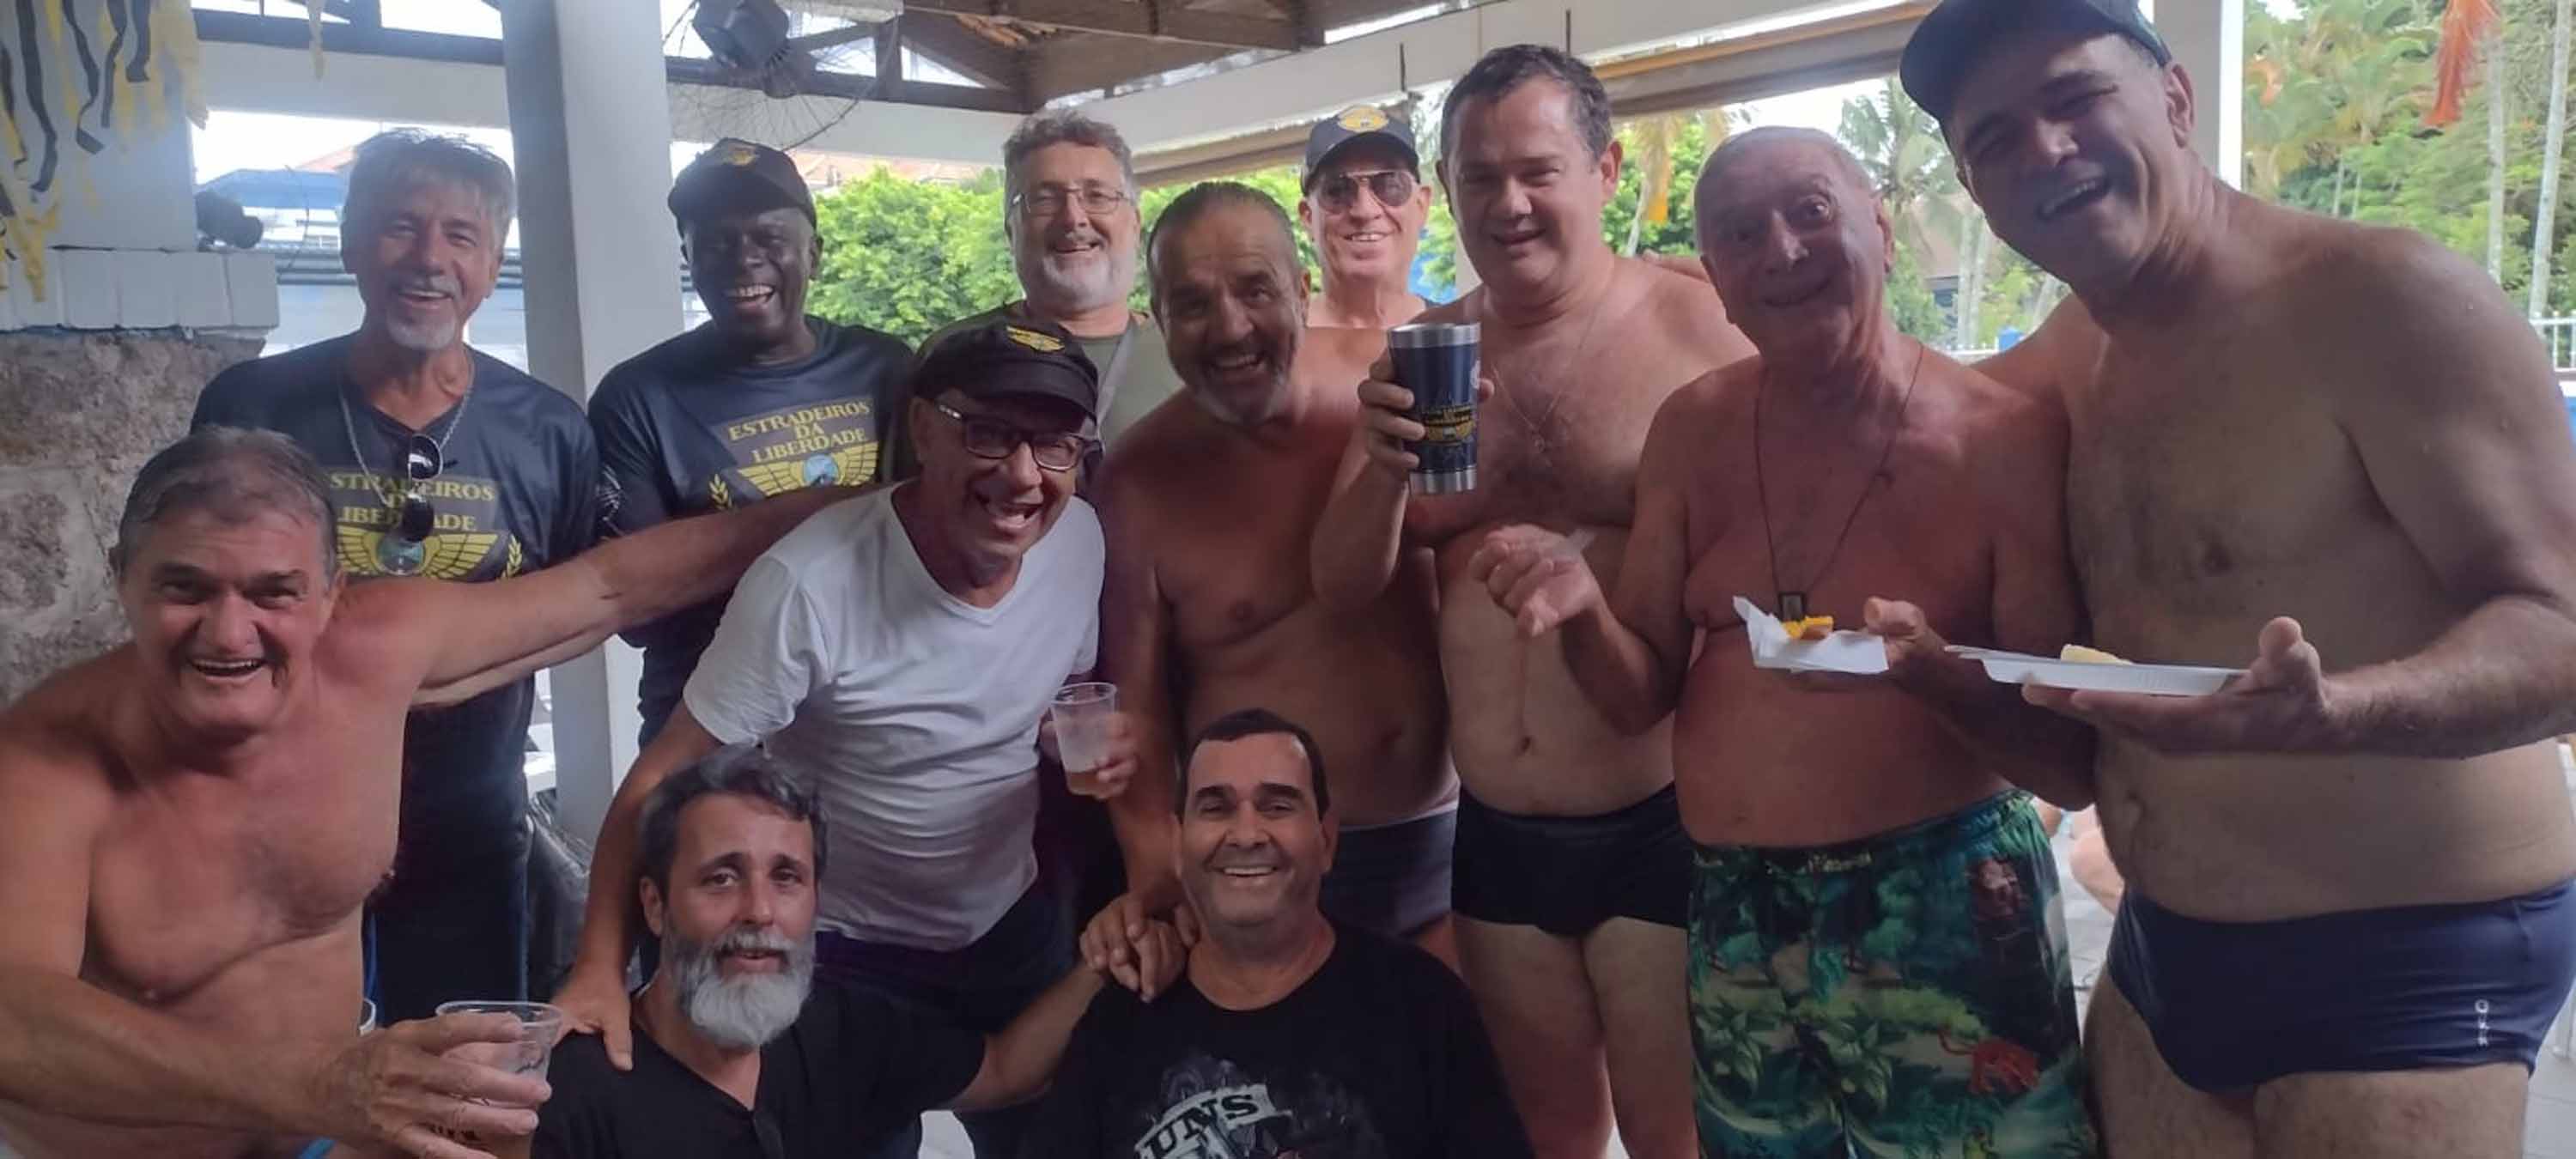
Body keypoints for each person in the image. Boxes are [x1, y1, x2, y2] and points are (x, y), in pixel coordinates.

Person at [1896, 1, 2576, 1155]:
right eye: (1994, 138)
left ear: (2175, 99)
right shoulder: (2063, 358)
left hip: (2400, 957)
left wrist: (2339, 711)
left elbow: (2563, 625)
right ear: (1973, 189)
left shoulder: (2380, 299)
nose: (2044, 149)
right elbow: (1887, 419)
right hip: (2165, 951)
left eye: (2075, 98)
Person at [1466, 126, 2099, 1157]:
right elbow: (1637, 697)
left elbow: (2067, 765)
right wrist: (1582, 612)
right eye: (1741, 235)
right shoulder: (1693, 430)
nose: (1783, 251)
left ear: (1880, 229)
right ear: (1716, 281)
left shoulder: (2002, 440)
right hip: (1734, 913)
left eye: (1811, 212)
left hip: (1940, 903)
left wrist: (1938, 679)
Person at [0, 427, 856, 1159]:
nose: (229, 634)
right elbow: (13, 1020)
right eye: (184, 588)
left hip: (332, 1139)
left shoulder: (375, 653)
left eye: (273, 592)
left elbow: (608, 588)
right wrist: (320, 1086)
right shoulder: (44, 758)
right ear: (123, 578)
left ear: (331, 594)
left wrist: (866, 506)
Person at [1311, 44, 1755, 1159]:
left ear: (1606, 170)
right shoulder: (1429, 352)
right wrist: (1381, 467)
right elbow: (1343, 583)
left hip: (1657, 817)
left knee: (1674, 1138)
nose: (1507, 203)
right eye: (1478, 177)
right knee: (1546, 1139)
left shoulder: (1698, 329)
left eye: (1537, 171)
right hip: (1497, 828)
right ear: (1447, 190)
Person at [554, 319, 1141, 1159]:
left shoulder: (1077, 540)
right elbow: (661, 779)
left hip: (1009, 925)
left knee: (1058, 1136)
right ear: (924, 428)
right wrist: (596, 967)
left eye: (1055, 445)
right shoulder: (810, 584)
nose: (1022, 474)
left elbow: (1044, 699)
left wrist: (1074, 740)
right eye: (988, 433)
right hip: (851, 956)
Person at [190, 129, 597, 1024]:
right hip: (279, 824)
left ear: (491, 263)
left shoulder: (548, 430)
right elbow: (201, 594)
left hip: (470, 833)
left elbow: (571, 610)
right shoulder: (251, 407)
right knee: (286, 1068)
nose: (429, 258)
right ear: (349, 243)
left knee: (462, 1072)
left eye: (461, 235)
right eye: (400, 226)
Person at [1080, 183, 1457, 971]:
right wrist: (1157, 875)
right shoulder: (1141, 482)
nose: (1230, 329)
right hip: (1263, 868)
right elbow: (1138, 712)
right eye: (1192, 304)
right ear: (1157, 316)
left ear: (1302, 289)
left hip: (1456, 838)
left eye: (1256, 290)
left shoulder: (1397, 392)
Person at [529, 743, 1184, 1159]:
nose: (759, 911)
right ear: (654, 904)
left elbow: (1007, 1069)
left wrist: (1105, 958)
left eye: (787, 878)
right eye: (721, 878)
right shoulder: (568, 1095)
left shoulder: (840, 1030)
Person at [1025, 708, 1534, 1157]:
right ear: (1177, 846)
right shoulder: (1120, 1020)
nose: (1247, 834)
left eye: (1277, 806)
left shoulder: (1421, 1002)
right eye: (1216, 807)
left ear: (1326, 840)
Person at [588, 139, 915, 746]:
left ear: (813, 254)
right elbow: (637, 610)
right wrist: (829, 515)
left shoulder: (886, 368)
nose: (743, 260)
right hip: (708, 727)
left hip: (868, 719)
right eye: (716, 243)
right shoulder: (638, 397)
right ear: (688, 259)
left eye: (769, 238)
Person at [895, 109, 1183, 468]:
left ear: (1135, 223)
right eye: (1045, 199)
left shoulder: (1190, 350)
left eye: (1097, 196)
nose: (1073, 217)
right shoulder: (951, 354)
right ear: (1011, 231)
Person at [1298, 105, 1434, 331]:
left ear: (1421, 206)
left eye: (1390, 185)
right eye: (1337, 190)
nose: (1365, 211)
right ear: (1308, 217)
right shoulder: (1275, 343)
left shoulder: (1460, 338)